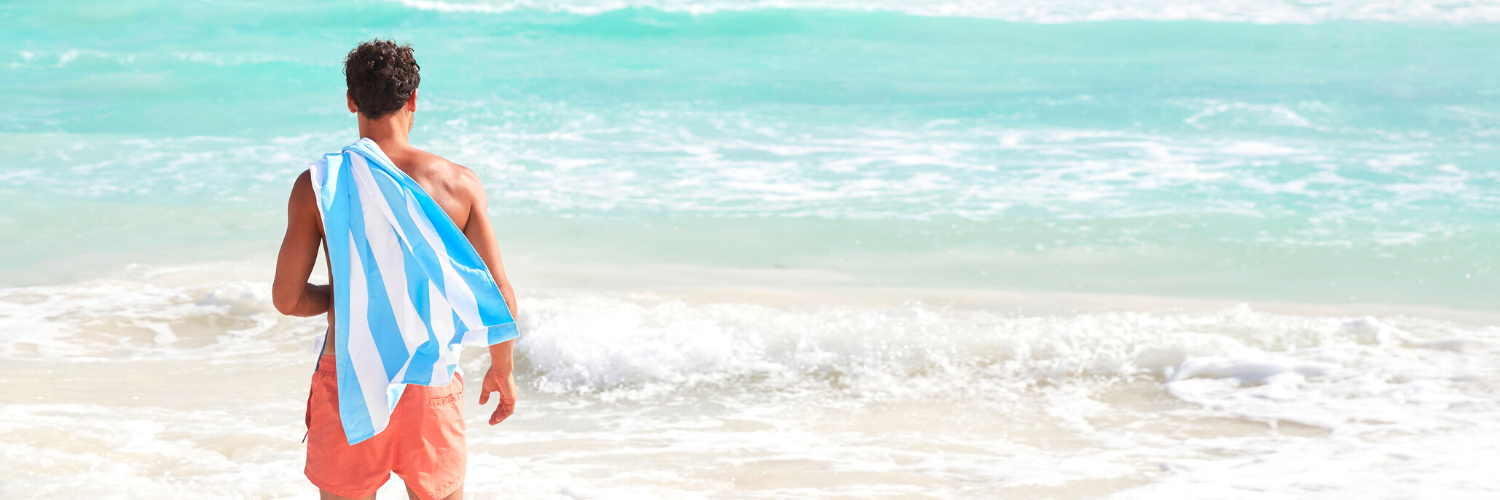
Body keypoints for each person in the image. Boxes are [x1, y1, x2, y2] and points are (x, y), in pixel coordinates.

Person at [271, 39, 520, 500]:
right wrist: (502, 368)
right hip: (432, 376)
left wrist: (344, 296)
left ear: (351, 101)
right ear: (413, 100)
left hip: (349, 376)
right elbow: (498, 294)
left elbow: (286, 299)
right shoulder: (458, 184)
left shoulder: (318, 183)